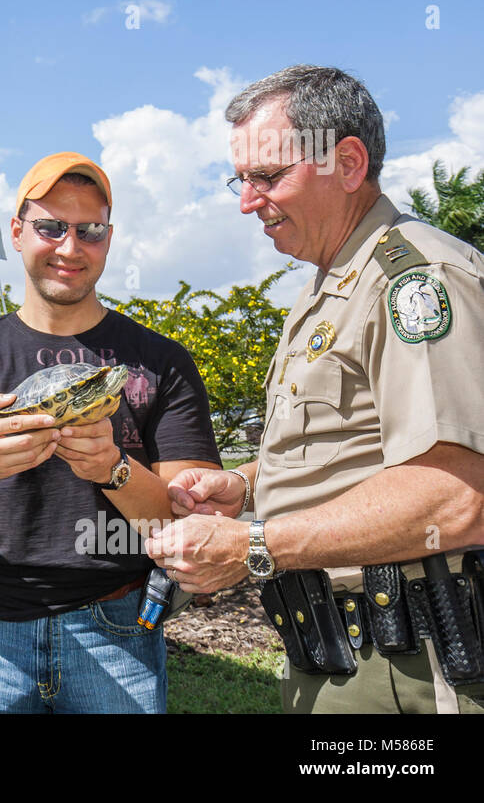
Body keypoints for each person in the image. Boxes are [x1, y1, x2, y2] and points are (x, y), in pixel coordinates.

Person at [147, 64, 484, 714]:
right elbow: (353, 446)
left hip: (413, 665)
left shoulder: (415, 280)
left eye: (268, 177)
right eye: (239, 181)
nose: (247, 202)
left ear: (349, 163)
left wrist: (253, 546)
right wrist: (249, 485)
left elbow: (453, 495)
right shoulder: (327, 286)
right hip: (335, 652)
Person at [0, 152, 222, 713]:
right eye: (50, 227)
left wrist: (111, 467)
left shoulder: (159, 363)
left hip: (117, 622)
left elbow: (195, 520)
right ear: (18, 233)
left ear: (108, 240)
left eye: (89, 230)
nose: (70, 247)